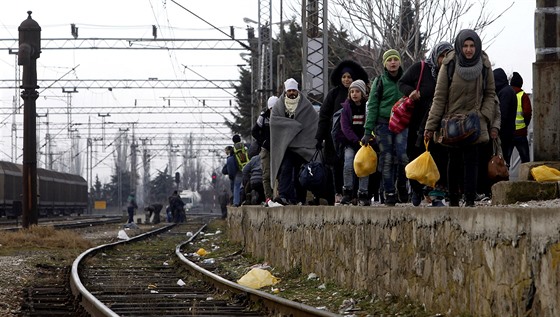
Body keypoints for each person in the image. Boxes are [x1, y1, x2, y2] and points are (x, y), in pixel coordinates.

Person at [424, 29, 496, 207]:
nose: (469, 50)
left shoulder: (485, 65)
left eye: (472, 46)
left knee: (472, 161)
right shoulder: (449, 64)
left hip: (474, 121)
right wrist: (430, 126)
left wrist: (483, 115)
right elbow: (439, 97)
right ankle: (454, 201)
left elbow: (490, 94)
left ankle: (470, 201)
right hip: (452, 123)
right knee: (453, 161)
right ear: (459, 46)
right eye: (465, 46)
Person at [398, 41, 453, 207]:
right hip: (417, 122)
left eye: (447, 56)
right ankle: (416, 188)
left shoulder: (452, 73)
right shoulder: (421, 68)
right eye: (441, 56)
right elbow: (402, 83)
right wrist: (411, 92)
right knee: (415, 155)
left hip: (441, 123)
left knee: (439, 158)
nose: (443, 60)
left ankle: (436, 195)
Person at [315, 60, 369, 205]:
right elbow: (324, 116)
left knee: (361, 165)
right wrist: (319, 137)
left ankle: (359, 194)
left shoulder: (365, 101)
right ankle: (341, 192)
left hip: (361, 140)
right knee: (340, 166)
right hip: (338, 139)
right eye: (344, 77)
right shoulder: (333, 94)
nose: (346, 80)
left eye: (349, 77)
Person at [361, 49, 406, 206]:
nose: (392, 62)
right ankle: (389, 192)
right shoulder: (379, 82)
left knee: (402, 156)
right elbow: (372, 106)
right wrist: (368, 131)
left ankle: (401, 185)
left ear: (399, 62)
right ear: (385, 64)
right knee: (386, 158)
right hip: (383, 124)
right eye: (389, 60)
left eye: (395, 59)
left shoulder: (405, 81)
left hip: (402, 124)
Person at [269, 78, 318, 205]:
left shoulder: (305, 105)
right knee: (285, 169)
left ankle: (300, 198)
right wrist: (294, 126)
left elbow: (312, 122)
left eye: (293, 90)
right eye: (289, 90)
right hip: (285, 146)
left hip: (302, 146)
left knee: (299, 172)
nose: (292, 93)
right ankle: (284, 195)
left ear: (297, 91)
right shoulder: (279, 106)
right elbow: (274, 122)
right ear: (286, 91)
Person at [339, 79, 370, 206]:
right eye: (352, 91)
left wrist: (367, 138)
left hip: (365, 143)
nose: (354, 94)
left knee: (364, 167)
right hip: (351, 143)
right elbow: (345, 127)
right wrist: (355, 140)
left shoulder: (367, 107)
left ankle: (363, 192)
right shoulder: (346, 108)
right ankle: (347, 190)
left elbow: (370, 122)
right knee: (348, 164)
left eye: (357, 91)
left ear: (362, 93)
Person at [252, 95, 278, 204]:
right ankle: (268, 197)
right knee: (266, 174)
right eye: (272, 109)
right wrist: (262, 141)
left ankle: (277, 197)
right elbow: (254, 131)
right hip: (266, 149)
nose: (274, 111)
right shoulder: (263, 117)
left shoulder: (282, 116)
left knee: (277, 174)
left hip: (278, 149)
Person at [509, 71, 532, 164]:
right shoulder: (523, 96)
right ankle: (526, 177)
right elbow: (527, 112)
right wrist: (525, 124)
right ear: (521, 83)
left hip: (508, 132)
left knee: (505, 160)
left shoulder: (506, 93)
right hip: (520, 132)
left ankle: (504, 178)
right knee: (526, 161)